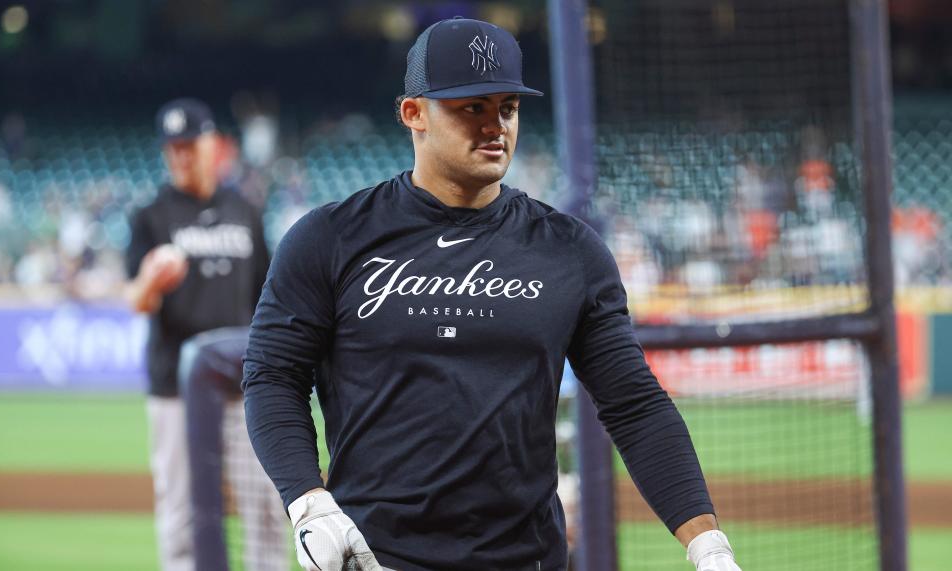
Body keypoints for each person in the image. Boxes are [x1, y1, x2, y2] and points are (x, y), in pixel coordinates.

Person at [243, 17, 742, 571]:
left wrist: (707, 544)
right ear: (414, 114)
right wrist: (308, 503)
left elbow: (635, 405)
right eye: (470, 108)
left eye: (507, 107)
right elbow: (271, 376)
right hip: (375, 559)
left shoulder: (569, 250)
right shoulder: (330, 237)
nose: (495, 126)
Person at [125, 98, 274, 571]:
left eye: (190, 145)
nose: (182, 156)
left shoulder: (245, 211)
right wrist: (150, 281)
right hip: (175, 385)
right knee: (180, 510)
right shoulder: (149, 216)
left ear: (214, 145)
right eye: (173, 148)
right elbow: (137, 302)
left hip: (243, 384)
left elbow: (268, 296)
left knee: (266, 507)